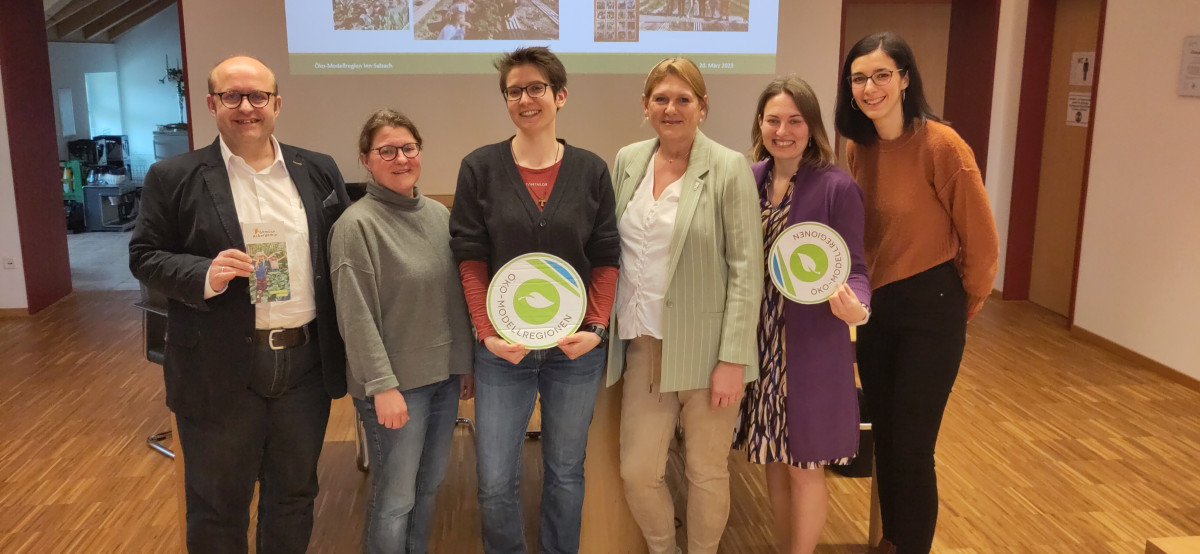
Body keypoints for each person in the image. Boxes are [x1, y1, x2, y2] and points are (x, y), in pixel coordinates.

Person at [128, 55, 350, 553]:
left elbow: (341, 251)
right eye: (232, 96)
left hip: (305, 364)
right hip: (218, 364)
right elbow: (144, 255)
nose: (246, 107)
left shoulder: (317, 168)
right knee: (217, 506)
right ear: (211, 104)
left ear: (277, 104)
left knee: (293, 495)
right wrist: (202, 273)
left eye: (258, 97)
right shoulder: (174, 175)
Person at [448, 46, 620, 554]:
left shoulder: (590, 170)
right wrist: (486, 332)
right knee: (495, 478)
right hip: (503, 353)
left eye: (536, 88)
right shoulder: (479, 167)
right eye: (514, 91)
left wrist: (596, 326)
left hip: (575, 353)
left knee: (566, 471)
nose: (526, 98)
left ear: (560, 96)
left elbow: (607, 255)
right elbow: (471, 257)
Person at [834, 32, 1000, 554]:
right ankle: (892, 540)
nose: (870, 86)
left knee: (911, 448)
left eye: (882, 74)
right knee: (885, 438)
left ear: (905, 78)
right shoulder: (859, 146)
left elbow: (982, 239)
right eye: (859, 77)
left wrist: (965, 297)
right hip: (880, 308)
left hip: (934, 306)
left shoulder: (942, 145)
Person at [606, 56, 763, 554]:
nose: (671, 108)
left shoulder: (729, 167)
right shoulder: (628, 160)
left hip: (708, 352)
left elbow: (745, 269)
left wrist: (732, 359)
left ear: (703, 106)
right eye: (661, 98)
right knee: (637, 471)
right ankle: (662, 548)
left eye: (683, 99)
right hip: (644, 343)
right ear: (645, 106)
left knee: (705, 471)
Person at [732, 76, 871, 554]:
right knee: (773, 458)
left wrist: (858, 304)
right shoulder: (750, 179)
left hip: (809, 347)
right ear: (760, 124)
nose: (783, 130)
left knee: (804, 464)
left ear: (812, 127)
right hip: (760, 343)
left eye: (795, 120)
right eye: (773, 119)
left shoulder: (837, 187)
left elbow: (855, 267)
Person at [329, 110, 475, 554]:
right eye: (386, 151)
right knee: (395, 499)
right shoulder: (356, 226)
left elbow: (453, 297)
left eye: (408, 148)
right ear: (366, 160)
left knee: (428, 487)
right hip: (395, 389)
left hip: (443, 380)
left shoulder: (437, 215)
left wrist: (463, 364)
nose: (400, 159)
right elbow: (356, 317)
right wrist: (382, 386)